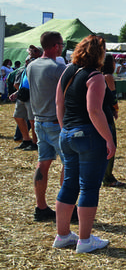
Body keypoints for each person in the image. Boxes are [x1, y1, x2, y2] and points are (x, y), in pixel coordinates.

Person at [53, 35, 114, 253]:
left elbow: (59, 103)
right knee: (89, 187)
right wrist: (108, 138)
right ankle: (85, 240)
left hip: (67, 133)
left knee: (68, 184)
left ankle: (62, 235)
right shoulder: (95, 76)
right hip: (88, 135)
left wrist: (65, 128)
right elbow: (94, 111)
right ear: (100, 54)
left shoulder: (67, 71)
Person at [26, 31, 67, 222]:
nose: (62, 47)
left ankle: (40, 207)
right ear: (54, 46)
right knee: (69, 165)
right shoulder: (57, 68)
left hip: (39, 120)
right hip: (55, 122)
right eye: (61, 44)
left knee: (43, 163)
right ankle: (66, 206)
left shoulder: (31, 66)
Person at [101, 54, 123, 187]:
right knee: (111, 144)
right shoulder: (108, 77)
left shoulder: (96, 75)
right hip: (106, 113)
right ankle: (108, 177)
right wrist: (116, 108)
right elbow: (112, 96)